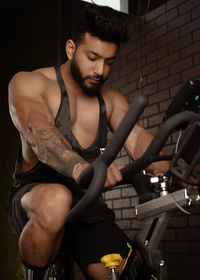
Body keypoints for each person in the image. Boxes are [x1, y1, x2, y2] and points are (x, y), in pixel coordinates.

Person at [7, 3, 169, 280]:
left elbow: (140, 143)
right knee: (56, 199)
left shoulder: (112, 101)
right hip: (36, 197)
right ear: (71, 49)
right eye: (92, 57)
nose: (100, 70)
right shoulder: (31, 82)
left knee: (124, 273)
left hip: (87, 204)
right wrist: (81, 168)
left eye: (109, 61)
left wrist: (175, 172)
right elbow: (38, 131)